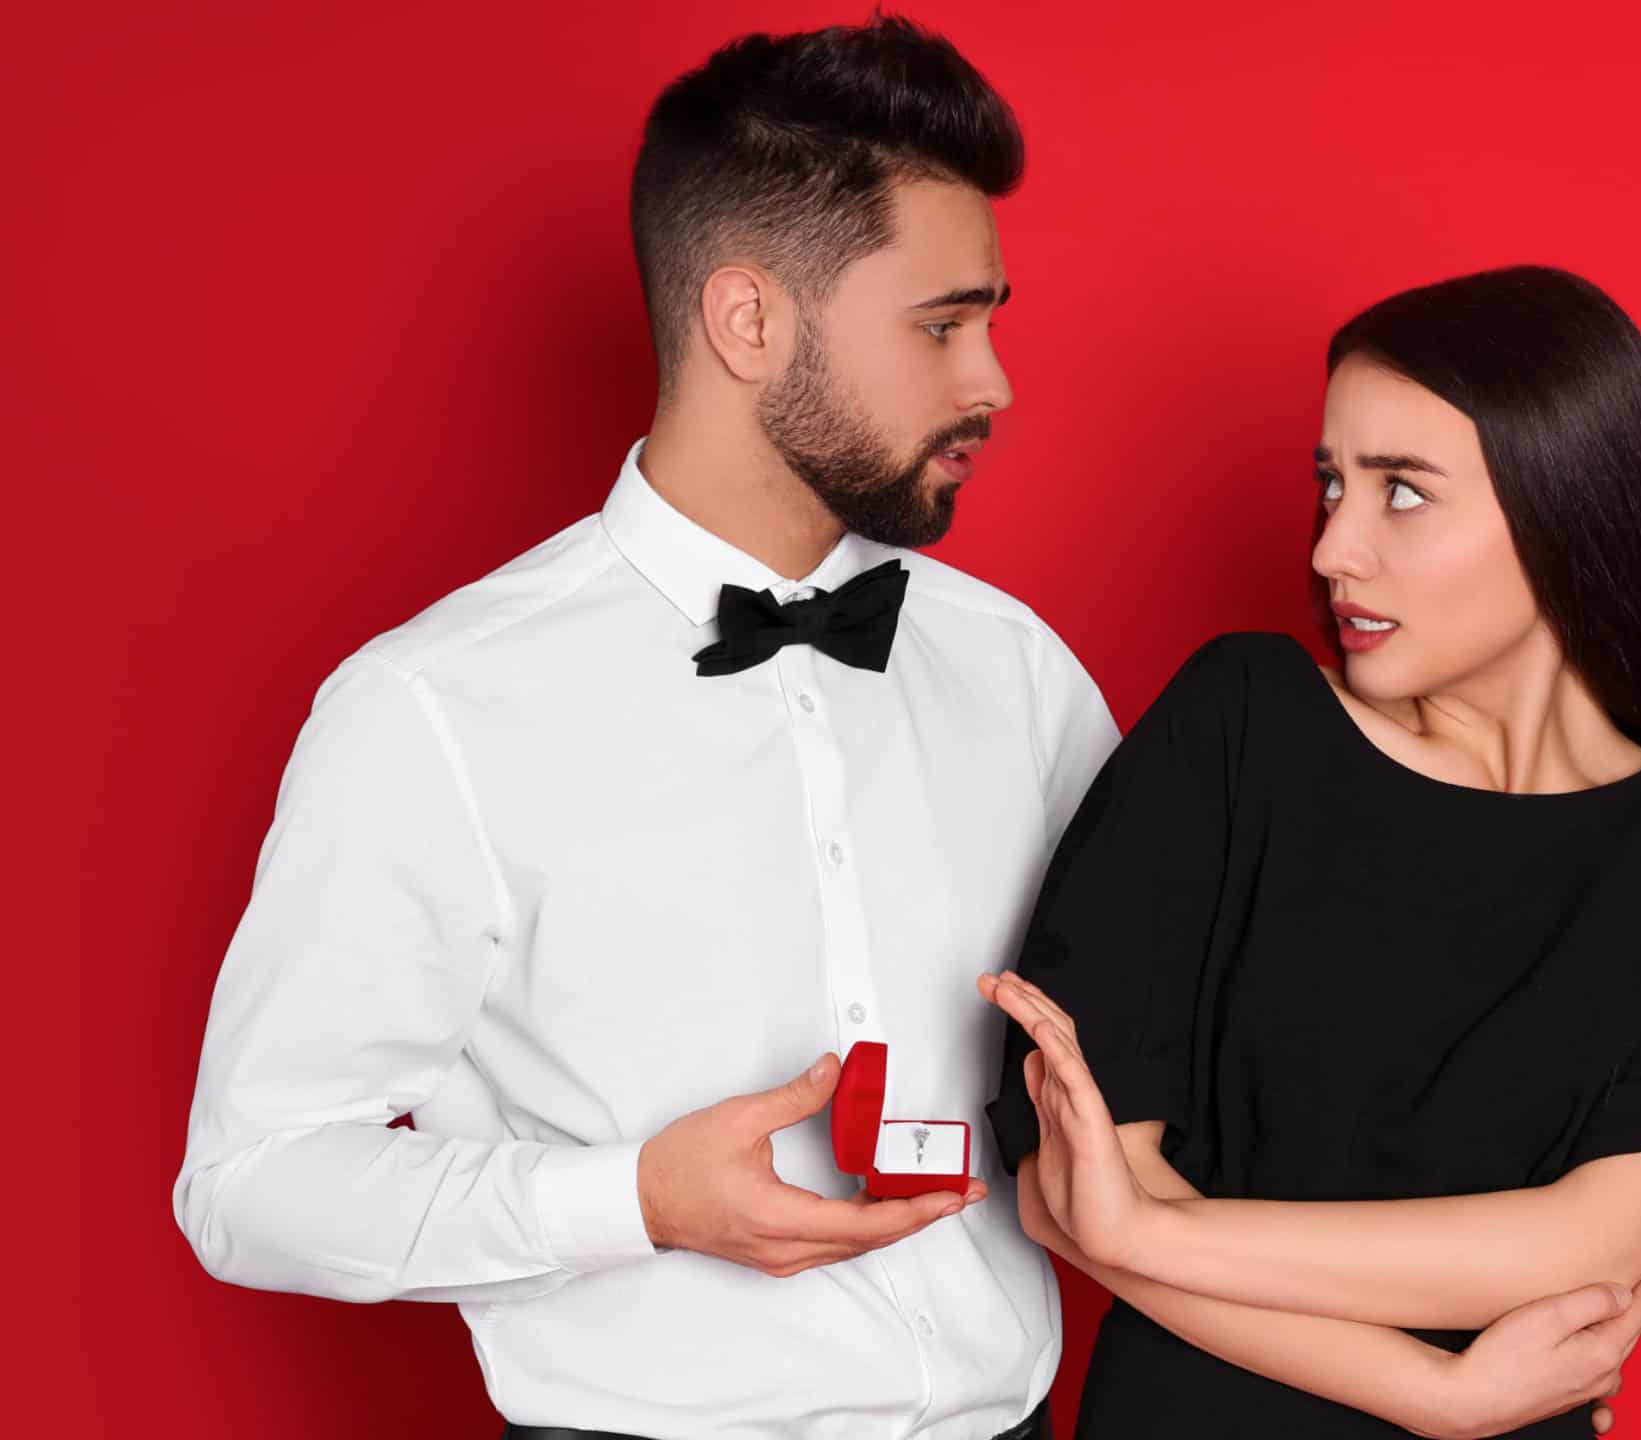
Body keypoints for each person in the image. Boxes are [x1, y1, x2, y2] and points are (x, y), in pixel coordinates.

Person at [173, 20, 1097, 1439]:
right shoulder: (434, 709)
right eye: (940, 325)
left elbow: (1168, 1043)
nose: (993, 383)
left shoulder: (1015, 671)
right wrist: (631, 1203)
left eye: (988, 321)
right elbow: (254, 1184)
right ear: (748, 322)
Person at [983, 266, 1641, 1439]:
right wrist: (1438, 1394)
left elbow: (1588, 1248)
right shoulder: (1242, 725)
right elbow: (1064, 1191)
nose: (1335, 548)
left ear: (1565, 503)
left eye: (1402, 492)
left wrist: (1148, 1230)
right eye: (1332, 484)